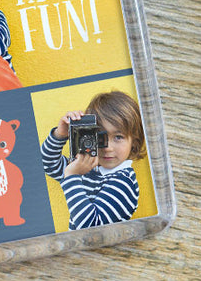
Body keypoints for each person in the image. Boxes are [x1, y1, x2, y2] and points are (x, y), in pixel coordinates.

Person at [41, 90, 145, 230]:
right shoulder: (87, 167)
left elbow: (91, 227)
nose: (107, 147)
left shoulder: (124, 182)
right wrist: (60, 134)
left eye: (118, 137)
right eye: (100, 136)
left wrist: (72, 176)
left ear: (134, 142)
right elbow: (48, 164)